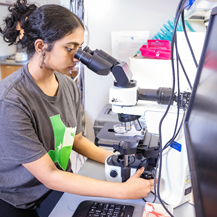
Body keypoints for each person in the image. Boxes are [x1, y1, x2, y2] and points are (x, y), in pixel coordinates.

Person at [0, 0, 155, 216]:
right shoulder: (11, 100)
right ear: (40, 46)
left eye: (79, 49)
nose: (77, 58)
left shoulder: (66, 85)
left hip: (56, 186)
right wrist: (122, 191)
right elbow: (49, 175)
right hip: (22, 201)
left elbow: (76, 139)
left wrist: (113, 160)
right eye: (69, 48)